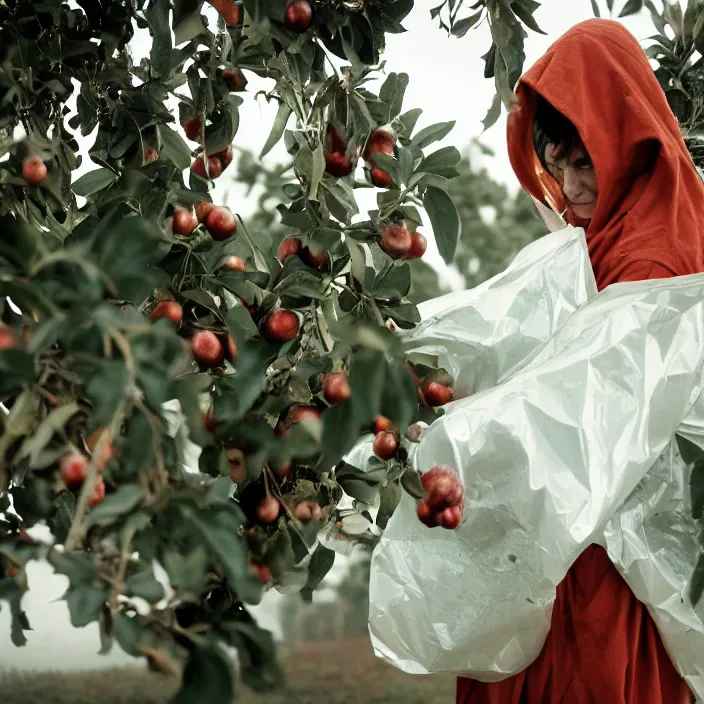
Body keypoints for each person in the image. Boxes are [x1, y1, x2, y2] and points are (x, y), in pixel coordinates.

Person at [455, 18, 704, 704]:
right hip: (573, 541)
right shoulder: (601, 240)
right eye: (560, 163)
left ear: (629, 144)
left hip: (614, 566)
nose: (570, 186)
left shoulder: (655, 257)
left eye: (587, 160)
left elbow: (589, 422)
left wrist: (464, 434)